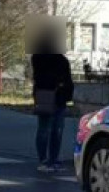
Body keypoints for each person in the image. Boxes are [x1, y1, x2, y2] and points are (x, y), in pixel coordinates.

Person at [29, 21, 75, 172]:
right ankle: (45, 159)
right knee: (48, 128)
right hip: (47, 94)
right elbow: (44, 75)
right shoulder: (42, 55)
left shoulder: (56, 57)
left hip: (55, 95)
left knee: (56, 129)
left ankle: (52, 159)